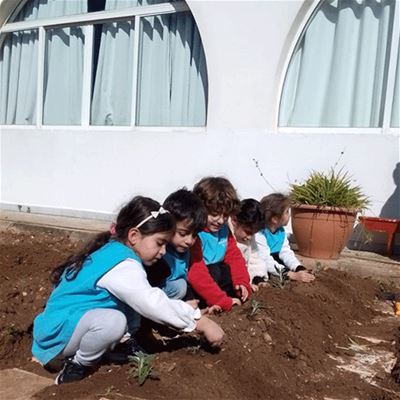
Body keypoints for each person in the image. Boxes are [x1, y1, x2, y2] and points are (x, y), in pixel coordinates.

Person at [31, 196, 224, 385]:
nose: (164, 251)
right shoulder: (123, 264)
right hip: (55, 340)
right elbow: (151, 302)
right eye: (159, 243)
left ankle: (119, 344)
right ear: (134, 236)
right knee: (113, 321)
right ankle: (77, 366)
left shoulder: (115, 251)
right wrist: (199, 321)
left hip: (66, 327)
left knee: (126, 307)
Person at [188, 177, 252, 312]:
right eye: (215, 214)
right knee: (215, 271)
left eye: (225, 216)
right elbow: (196, 272)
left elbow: (234, 257)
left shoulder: (223, 230)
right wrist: (221, 301)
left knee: (226, 271)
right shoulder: (194, 233)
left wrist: (242, 282)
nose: (221, 221)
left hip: (213, 280)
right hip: (196, 282)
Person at [254, 193, 315, 283]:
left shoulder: (281, 231)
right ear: (275, 219)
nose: (289, 215)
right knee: (261, 270)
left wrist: (298, 267)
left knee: (283, 264)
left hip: (273, 260)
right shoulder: (259, 234)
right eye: (286, 212)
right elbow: (266, 260)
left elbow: (285, 252)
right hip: (260, 263)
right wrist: (293, 275)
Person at [228, 199, 267, 291]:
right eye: (248, 232)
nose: (250, 237)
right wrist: (244, 283)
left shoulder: (247, 236)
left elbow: (254, 258)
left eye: (253, 233)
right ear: (234, 220)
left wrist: (258, 278)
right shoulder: (225, 234)